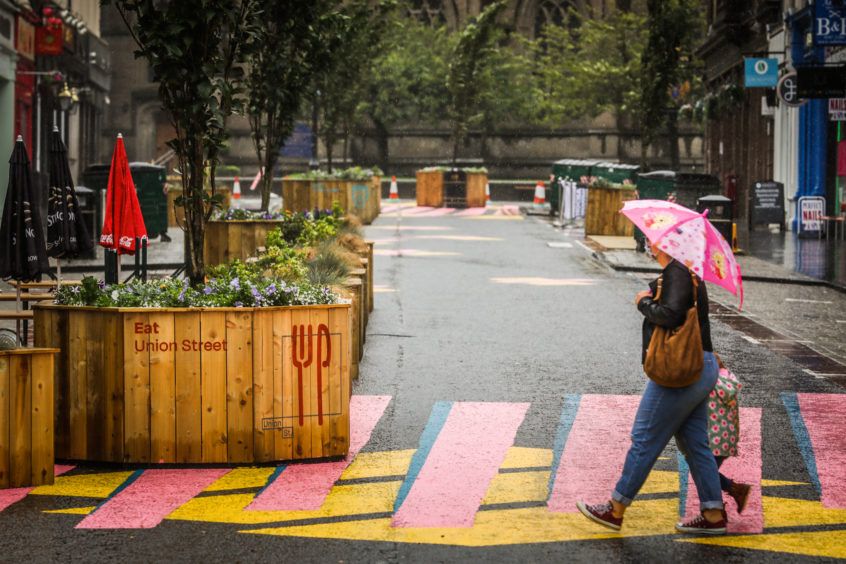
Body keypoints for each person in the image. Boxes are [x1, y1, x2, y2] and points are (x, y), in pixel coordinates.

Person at [576, 242, 727, 535]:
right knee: (697, 445)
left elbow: (671, 315)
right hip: (701, 366)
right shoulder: (686, 271)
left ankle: (615, 509)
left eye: (651, 239)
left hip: (681, 372)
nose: (648, 242)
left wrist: (643, 302)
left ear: (666, 243)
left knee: (645, 437)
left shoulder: (678, 271)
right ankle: (713, 513)